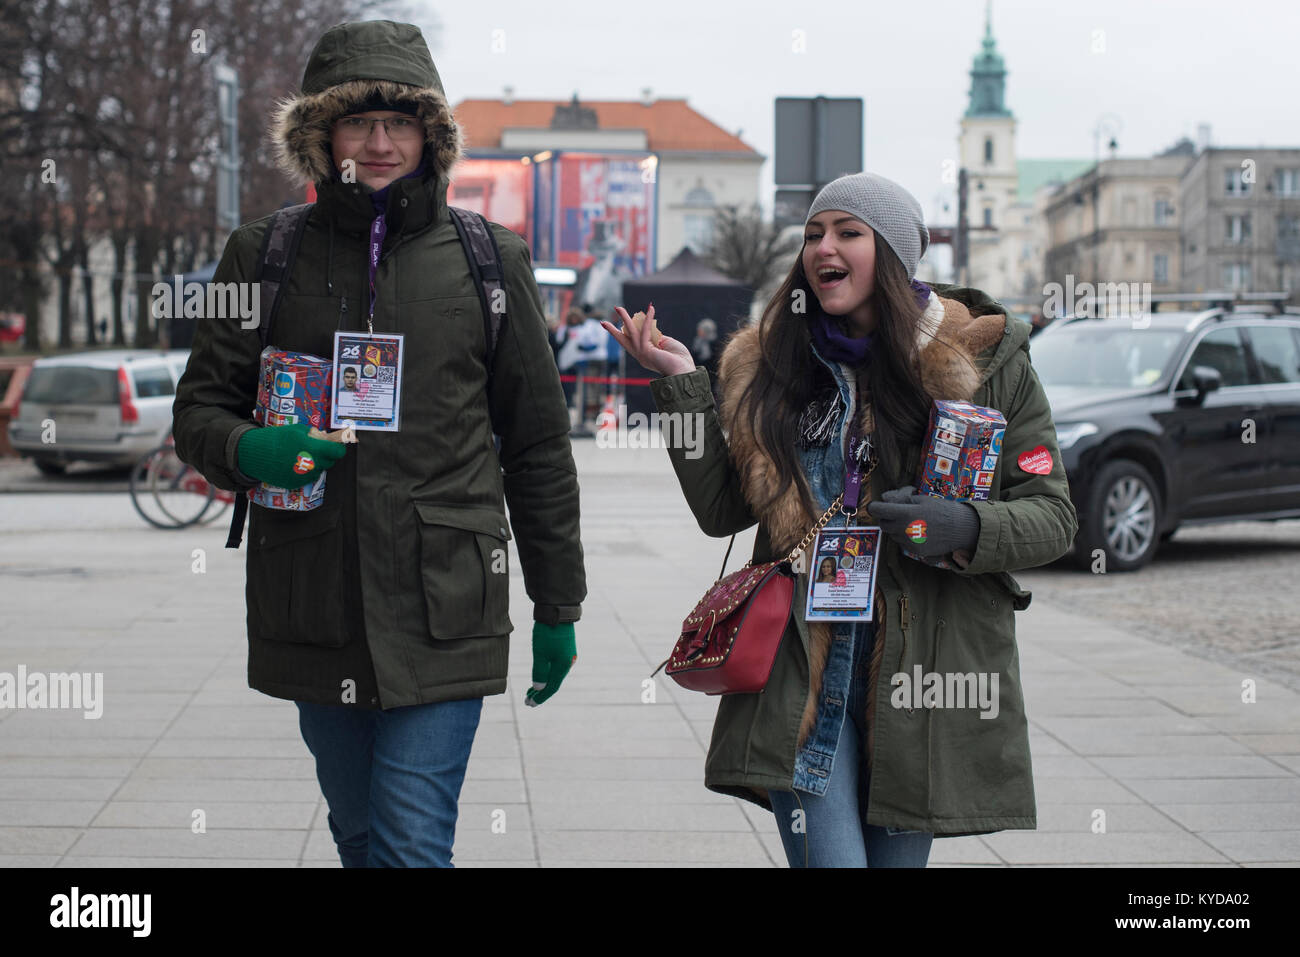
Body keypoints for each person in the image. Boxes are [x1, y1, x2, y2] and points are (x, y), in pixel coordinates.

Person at [172, 20, 586, 868]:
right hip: (314, 601)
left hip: (447, 605)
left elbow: (538, 447)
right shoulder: (263, 254)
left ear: (431, 136)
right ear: (322, 137)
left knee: (408, 844)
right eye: (359, 122)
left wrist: (557, 604)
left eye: (401, 122)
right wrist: (253, 449)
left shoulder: (488, 260)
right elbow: (199, 408)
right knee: (360, 838)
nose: (381, 142)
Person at [605, 171, 1077, 868]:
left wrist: (964, 527)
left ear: (892, 254)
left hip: (922, 675)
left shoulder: (986, 359)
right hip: (803, 667)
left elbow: (1054, 516)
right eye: (813, 234)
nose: (824, 246)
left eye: (848, 232)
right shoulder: (771, 361)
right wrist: (681, 387)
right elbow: (722, 510)